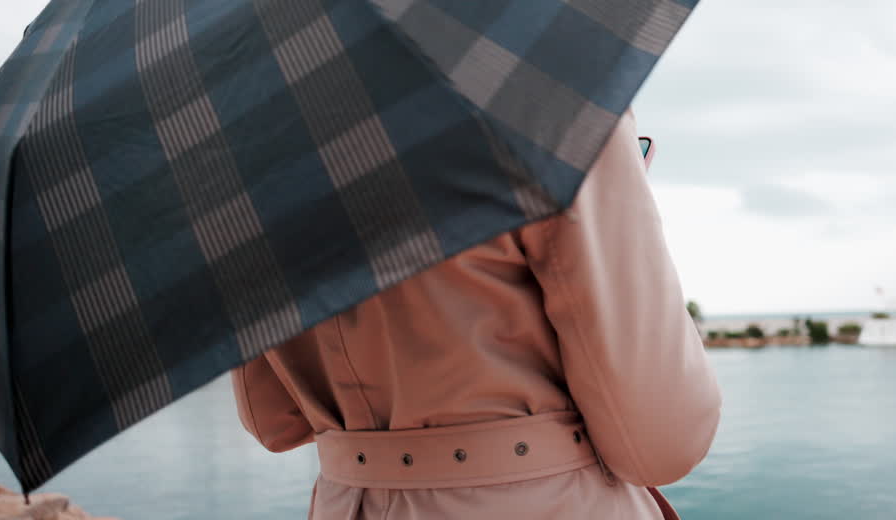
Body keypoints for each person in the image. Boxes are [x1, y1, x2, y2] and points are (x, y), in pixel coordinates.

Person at [231, 112, 721, 519]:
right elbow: (662, 440)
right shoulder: (539, 76)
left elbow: (272, 420)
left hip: (347, 503)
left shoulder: (240, 135)